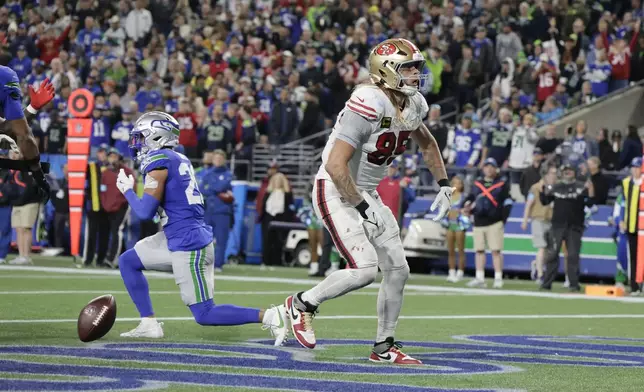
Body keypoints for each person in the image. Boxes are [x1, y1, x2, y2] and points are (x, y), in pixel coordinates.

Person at [283, 38, 453, 364]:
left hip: (366, 194)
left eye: (418, 67)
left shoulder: (413, 103)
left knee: (399, 270)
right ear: (387, 71)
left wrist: (444, 185)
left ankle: (383, 347)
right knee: (364, 271)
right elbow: (335, 164)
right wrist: (361, 207)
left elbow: (428, 145)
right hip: (335, 189)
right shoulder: (368, 101)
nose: (417, 74)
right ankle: (302, 303)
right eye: (409, 68)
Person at [115, 111, 288, 344]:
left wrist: (127, 190)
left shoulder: (159, 163)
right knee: (128, 261)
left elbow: (145, 212)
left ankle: (270, 315)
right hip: (177, 235)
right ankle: (148, 324)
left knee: (205, 314)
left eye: (141, 137)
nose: (137, 143)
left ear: (156, 136)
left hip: (188, 243)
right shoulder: (178, 158)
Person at [0, 66, 54, 202]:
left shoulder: (5, 77)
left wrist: (32, 108)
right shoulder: (6, 76)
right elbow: (18, 132)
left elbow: (14, 129)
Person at [539, 163, 595, 292]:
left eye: (570, 170)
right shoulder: (556, 187)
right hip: (557, 226)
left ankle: (573, 284)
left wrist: (591, 190)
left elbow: (591, 203)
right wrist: (544, 186)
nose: (567, 172)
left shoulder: (581, 187)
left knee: (573, 255)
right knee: (552, 254)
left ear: (574, 172)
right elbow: (544, 201)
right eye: (565, 170)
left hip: (575, 226)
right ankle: (547, 283)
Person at [462, 158, 513, 288]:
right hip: (479, 221)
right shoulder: (477, 183)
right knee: (479, 250)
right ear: (483, 168)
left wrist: (503, 219)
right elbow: (470, 198)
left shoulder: (502, 184)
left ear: (495, 169)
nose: (489, 169)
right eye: (487, 166)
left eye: (492, 167)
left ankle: (498, 277)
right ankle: (479, 277)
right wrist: (466, 207)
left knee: (496, 251)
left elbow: (508, 203)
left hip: (494, 222)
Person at [521, 165, 556, 284]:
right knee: (541, 247)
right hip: (538, 219)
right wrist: (525, 219)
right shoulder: (535, 187)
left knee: (550, 250)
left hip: (551, 220)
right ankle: (540, 274)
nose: (554, 176)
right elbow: (529, 204)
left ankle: (537, 264)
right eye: (552, 173)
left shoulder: (556, 188)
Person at [201, 150, 234, 273]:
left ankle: (218, 264)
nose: (218, 161)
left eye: (220, 158)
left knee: (221, 239)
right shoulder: (207, 173)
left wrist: (212, 188)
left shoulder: (228, 174)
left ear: (224, 160)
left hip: (222, 211)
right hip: (208, 210)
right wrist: (215, 190)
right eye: (216, 158)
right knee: (205, 239)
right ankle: (205, 263)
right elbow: (201, 189)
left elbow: (220, 186)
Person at [101, 148, 134, 267]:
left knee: (117, 231)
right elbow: (102, 190)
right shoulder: (105, 173)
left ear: (120, 158)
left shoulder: (128, 172)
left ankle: (111, 260)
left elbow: (131, 190)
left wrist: (120, 203)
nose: (112, 159)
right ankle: (106, 257)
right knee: (109, 232)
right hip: (108, 208)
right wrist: (105, 204)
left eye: (114, 156)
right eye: (110, 156)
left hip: (122, 206)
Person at [8, 149, 41, 265]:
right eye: (12, 153)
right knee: (18, 229)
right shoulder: (12, 170)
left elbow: (31, 187)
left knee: (26, 228)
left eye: (16, 153)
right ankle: (21, 255)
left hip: (29, 202)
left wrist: (20, 200)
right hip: (17, 202)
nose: (13, 155)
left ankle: (26, 256)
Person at [619, 157, 644, 294]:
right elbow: (623, 202)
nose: (635, 170)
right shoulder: (626, 183)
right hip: (632, 226)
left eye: (638, 167)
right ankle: (635, 286)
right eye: (633, 167)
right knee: (634, 257)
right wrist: (621, 219)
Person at [261, 172, 293, 270]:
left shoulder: (287, 194)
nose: (278, 182)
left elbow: (289, 208)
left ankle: (277, 262)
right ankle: (265, 262)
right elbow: (263, 207)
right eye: (276, 180)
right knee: (267, 241)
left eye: (280, 181)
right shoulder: (268, 193)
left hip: (281, 219)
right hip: (268, 219)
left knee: (278, 241)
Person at [444, 175, 469, 283]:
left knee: (460, 250)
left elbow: (466, 211)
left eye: (458, 183)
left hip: (460, 226)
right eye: (454, 183)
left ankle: (460, 272)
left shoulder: (464, 197)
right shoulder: (447, 197)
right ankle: (451, 272)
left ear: (462, 185)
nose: (456, 185)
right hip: (450, 225)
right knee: (450, 251)